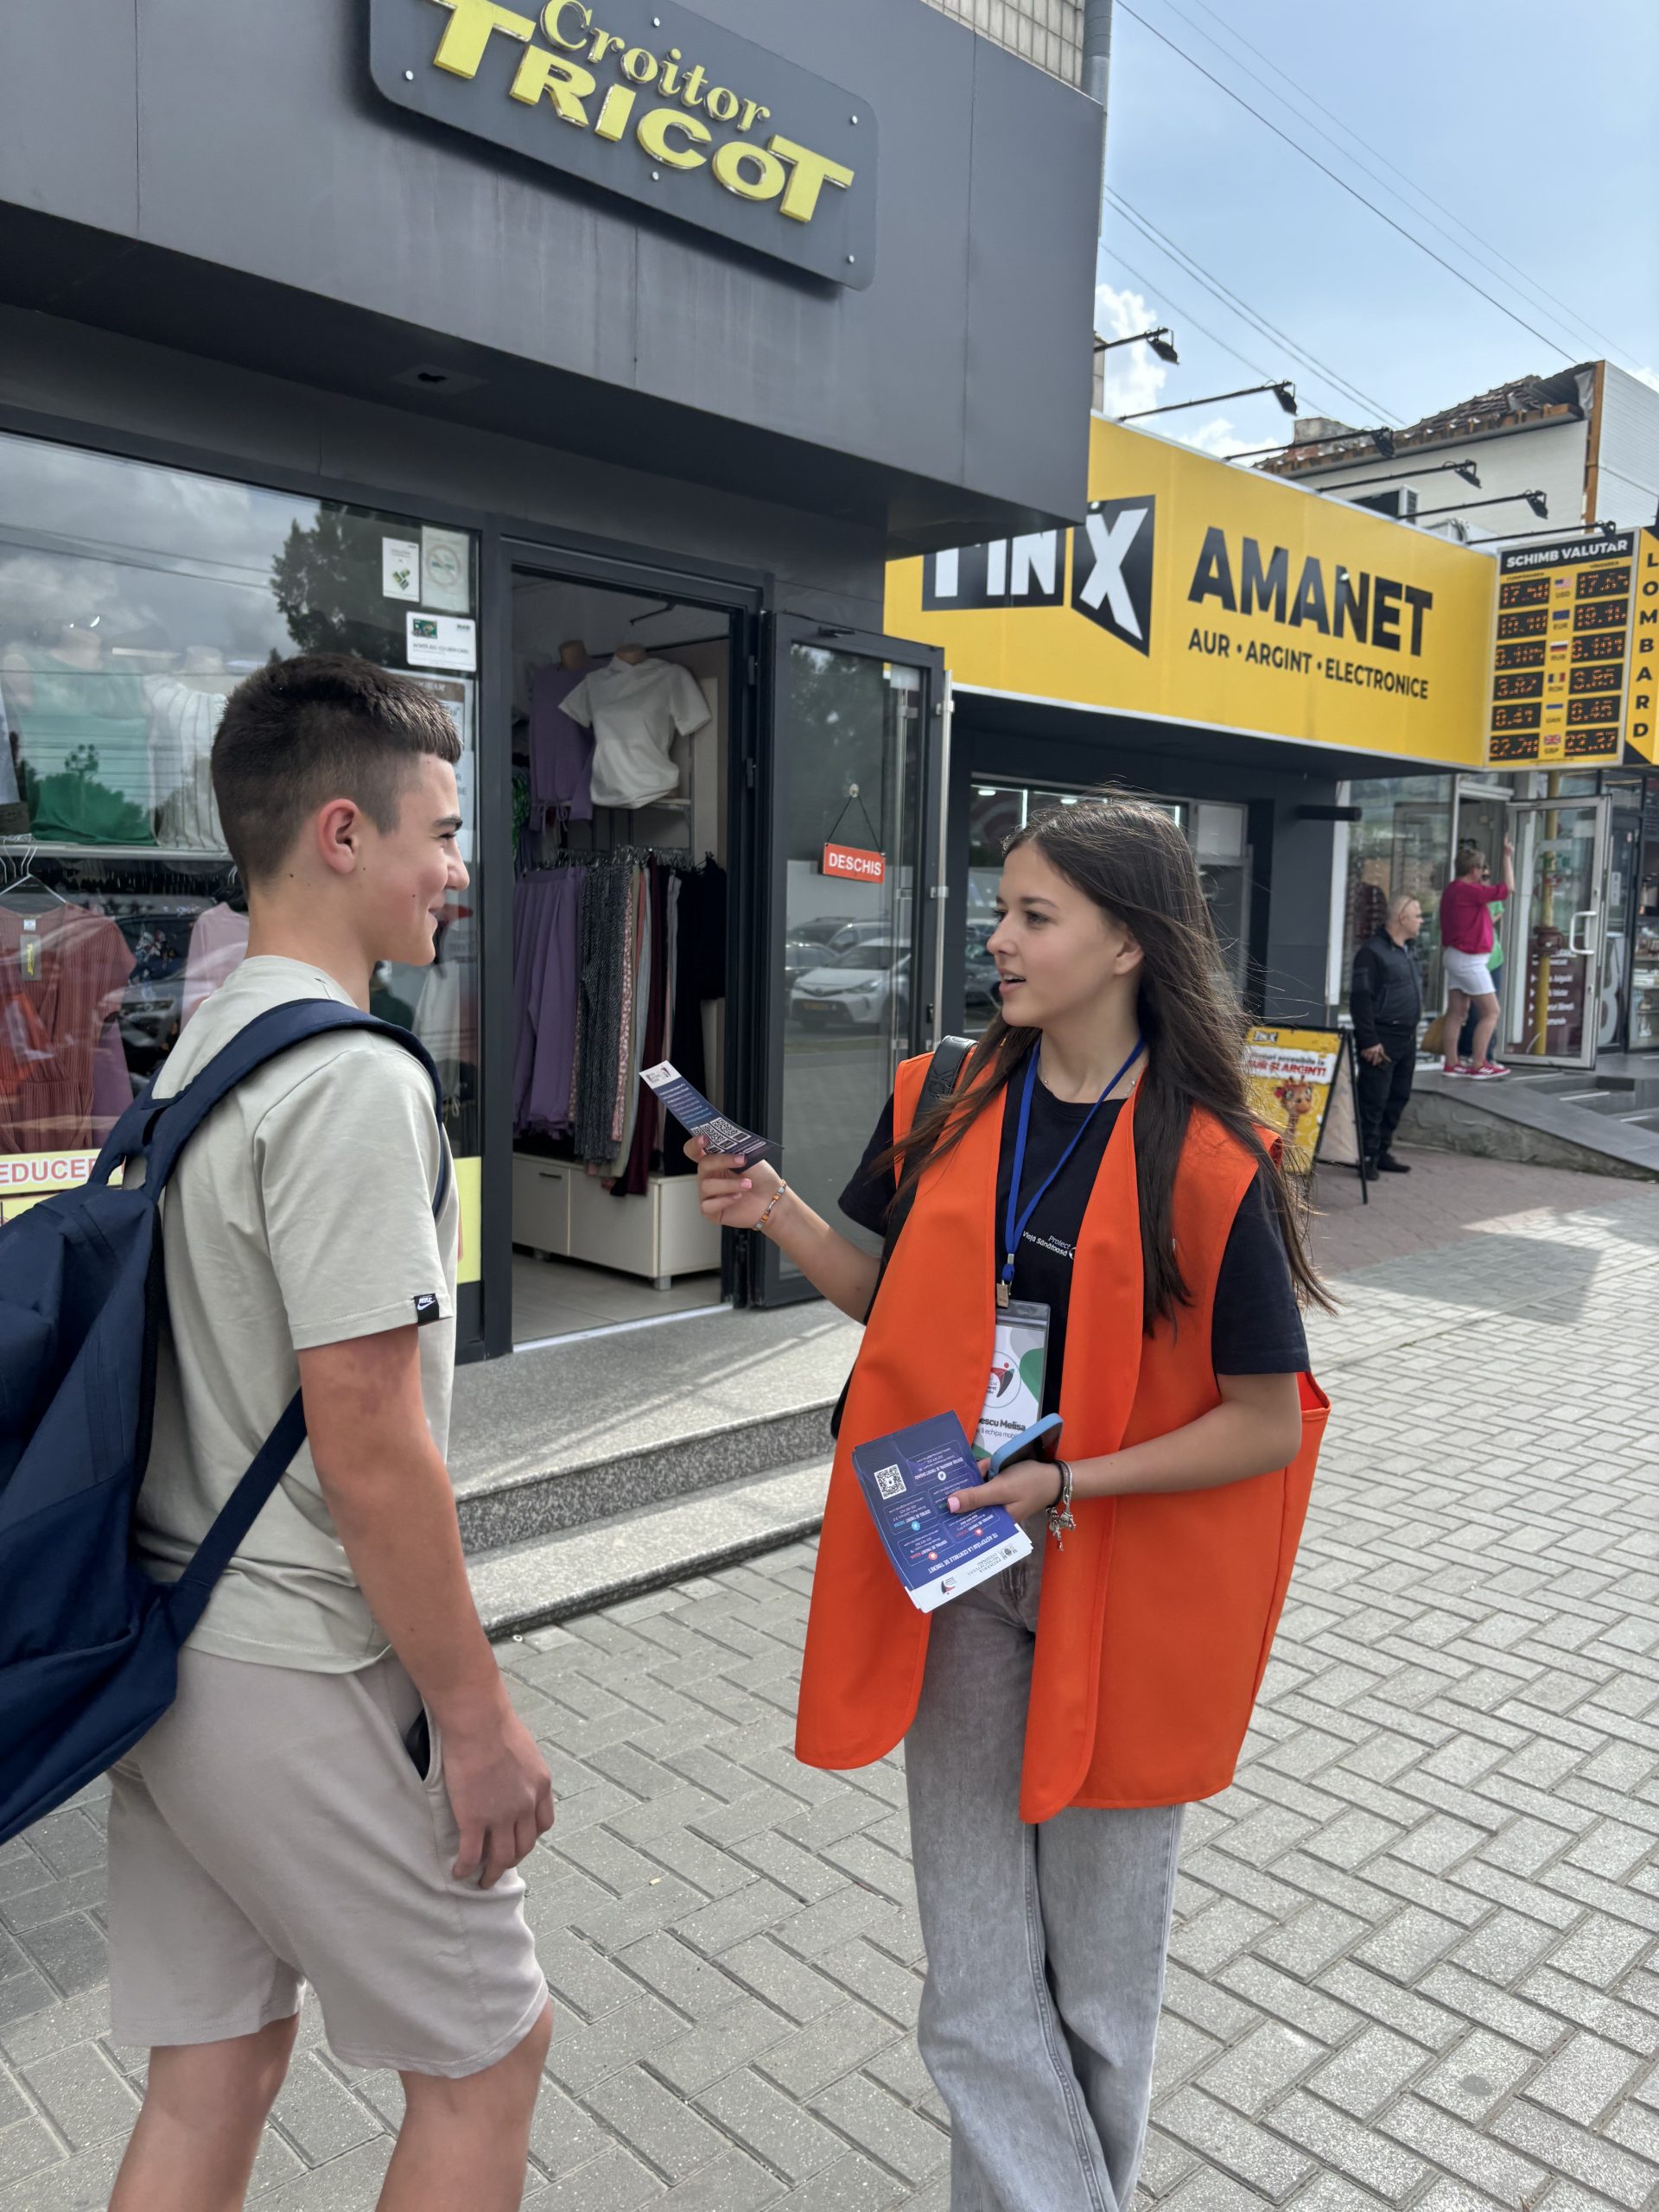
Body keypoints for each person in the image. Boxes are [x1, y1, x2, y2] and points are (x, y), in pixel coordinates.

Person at [693, 801, 1328, 2212]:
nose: (999, 940)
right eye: (1001, 910)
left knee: (1098, 1992)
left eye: (1035, 916)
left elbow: (1266, 1422)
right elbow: (897, 1302)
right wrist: (780, 1214)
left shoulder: (1211, 1155)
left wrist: (1071, 1484)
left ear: (1127, 943)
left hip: (1127, 1580)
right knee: (978, 1981)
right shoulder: (948, 1094)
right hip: (964, 1555)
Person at [107, 656, 552, 2212]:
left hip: (166, 1646)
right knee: (488, 2057)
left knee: (214, 2072)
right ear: (344, 834)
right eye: (444, 832)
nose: (459, 873)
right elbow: (369, 1442)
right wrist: (477, 1720)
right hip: (293, 1658)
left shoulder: (206, 1039)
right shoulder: (353, 1081)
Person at [1351, 893, 1425, 1178]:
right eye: (1418, 915)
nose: (1421, 921)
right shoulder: (1372, 953)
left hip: (1406, 1036)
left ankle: (1382, 1151)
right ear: (1402, 918)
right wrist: (1369, 1040)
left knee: (1398, 1096)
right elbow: (1360, 999)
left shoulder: (1408, 950)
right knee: (1373, 1099)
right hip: (1381, 1037)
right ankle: (1366, 1155)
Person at [1439, 836, 1514, 1077]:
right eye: (1482, 870)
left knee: (1456, 1011)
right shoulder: (1469, 891)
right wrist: (1507, 857)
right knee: (1491, 1012)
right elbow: (1507, 889)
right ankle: (1479, 1064)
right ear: (1474, 870)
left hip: (1455, 955)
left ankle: (1452, 1062)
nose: (1483, 875)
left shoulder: (1452, 889)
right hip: (1470, 959)